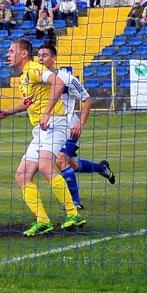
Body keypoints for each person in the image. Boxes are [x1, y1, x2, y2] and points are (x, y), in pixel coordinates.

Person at [0, 38, 83, 236]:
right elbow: (29, 102)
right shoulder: (24, 75)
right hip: (42, 130)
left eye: (11, 51)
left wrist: (47, 112)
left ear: (23, 53)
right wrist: (8, 111)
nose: (7, 55)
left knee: (44, 167)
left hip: (55, 123)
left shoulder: (34, 68)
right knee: (22, 176)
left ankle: (73, 213)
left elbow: (58, 83)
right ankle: (43, 220)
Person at [38, 45, 115, 210]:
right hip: (50, 128)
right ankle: (100, 168)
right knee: (70, 164)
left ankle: (75, 202)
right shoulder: (37, 79)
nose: (40, 59)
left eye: (44, 55)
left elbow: (87, 100)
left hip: (68, 126)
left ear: (54, 58)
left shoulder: (68, 78)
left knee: (59, 160)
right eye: (38, 55)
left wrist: (80, 123)